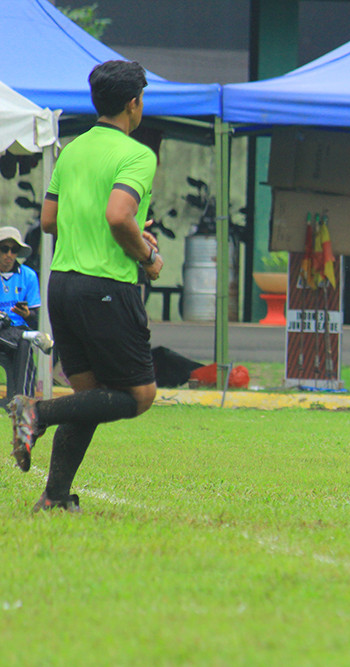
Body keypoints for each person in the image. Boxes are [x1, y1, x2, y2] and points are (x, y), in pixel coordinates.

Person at [8, 60, 164, 513]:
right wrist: (147, 255)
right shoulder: (137, 154)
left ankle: (55, 498)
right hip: (106, 286)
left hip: (63, 286)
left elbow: (50, 220)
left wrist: (133, 228)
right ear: (134, 103)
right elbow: (118, 216)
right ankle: (36, 413)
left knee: (91, 397)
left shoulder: (72, 150)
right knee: (139, 396)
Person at [0, 226, 54, 406]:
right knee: (22, 338)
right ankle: (31, 337)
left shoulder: (29, 276)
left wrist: (27, 313)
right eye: (4, 249)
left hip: (16, 329)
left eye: (14, 250)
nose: (9, 254)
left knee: (23, 345)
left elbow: (34, 316)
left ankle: (23, 401)